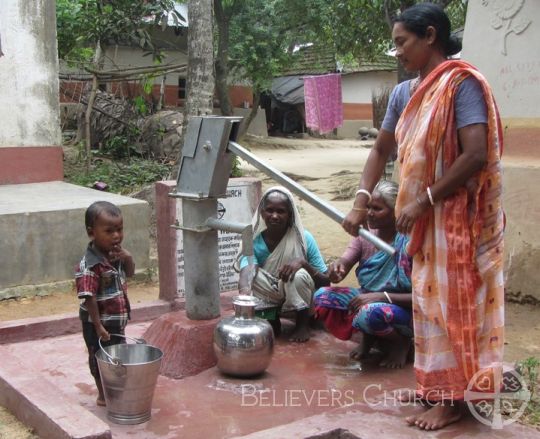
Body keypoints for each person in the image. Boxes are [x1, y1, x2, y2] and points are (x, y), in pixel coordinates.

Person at [342, 3, 504, 431]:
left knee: (454, 305)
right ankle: (437, 384)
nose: (396, 52)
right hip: (422, 223)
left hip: (455, 218)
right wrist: (361, 199)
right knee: (429, 303)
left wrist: (424, 200)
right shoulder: (403, 93)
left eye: (401, 42)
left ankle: (453, 400)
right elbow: (380, 149)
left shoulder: (460, 84)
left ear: (430, 36)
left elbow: (475, 154)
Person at [313, 181, 413, 368]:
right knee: (322, 296)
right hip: (367, 298)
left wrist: (381, 296)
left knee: (368, 313)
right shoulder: (364, 235)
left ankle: (401, 342)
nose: (369, 213)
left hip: (403, 307)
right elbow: (344, 263)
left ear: (395, 211)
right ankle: (369, 338)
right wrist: (337, 269)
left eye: (377, 208)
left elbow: (421, 297)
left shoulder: (409, 242)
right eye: (368, 207)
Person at [237, 186, 330, 342]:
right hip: (270, 292)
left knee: (298, 276)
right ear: (262, 212)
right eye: (269, 210)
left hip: (297, 292)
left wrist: (302, 263)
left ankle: (302, 324)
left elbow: (326, 281)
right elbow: (247, 268)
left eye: (281, 211)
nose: (274, 216)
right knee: (252, 276)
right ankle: (272, 320)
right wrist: (244, 294)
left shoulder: (304, 239)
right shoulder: (253, 240)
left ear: (289, 215)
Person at [75, 201, 135, 407]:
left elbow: (131, 273)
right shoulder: (89, 265)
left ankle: (115, 390)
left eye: (119, 229)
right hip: (96, 324)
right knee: (98, 356)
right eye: (109, 231)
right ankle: (103, 394)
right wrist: (98, 325)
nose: (116, 236)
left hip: (116, 320)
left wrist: (128, 258)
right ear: (92, 233)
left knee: (117, 355)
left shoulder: (116, 255)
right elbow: (89, 297)